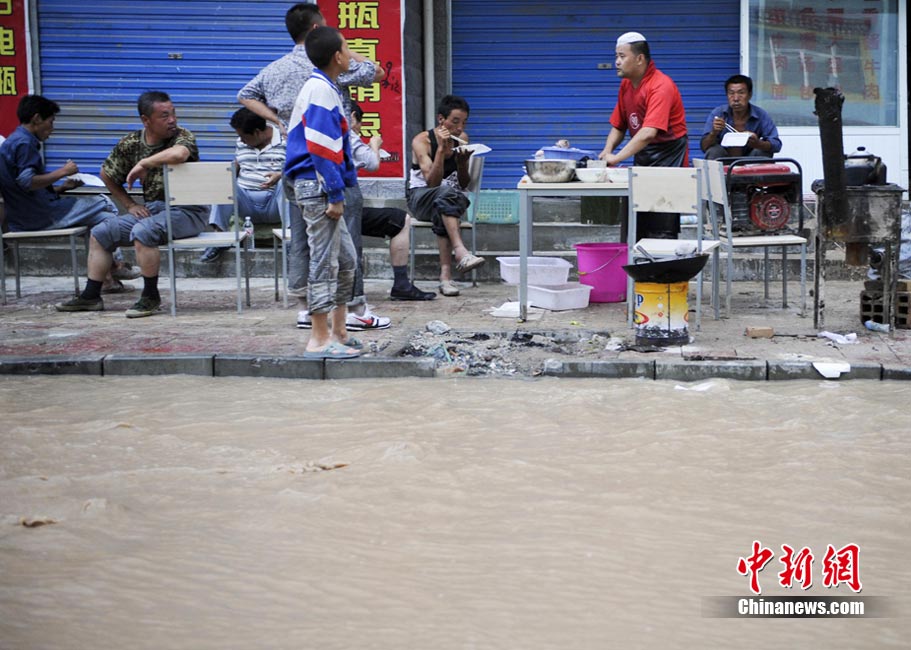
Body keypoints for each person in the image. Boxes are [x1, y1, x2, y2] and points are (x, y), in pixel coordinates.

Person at [237, 2, 389, 330]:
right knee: (338, 244)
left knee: (303, 240)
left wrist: (279, 121)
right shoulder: (327, 78)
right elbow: (376, 72)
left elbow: (245, 95)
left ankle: (306, 309)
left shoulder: (275, 69)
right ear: (320, 32)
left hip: (294, 165)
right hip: (325, 167)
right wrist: (336, 192)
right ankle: (347, 313)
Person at [55, 91, 209, 318]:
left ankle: (150, 296)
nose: (172, 120)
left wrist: (144, 163)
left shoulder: (182, 136)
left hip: (188, 211)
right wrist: (129, 204)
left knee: (143, 231)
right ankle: (91, 296)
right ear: (146, 120)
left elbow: (179, 154)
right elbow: (106, 174)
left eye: (173, 113)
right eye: (164, 116)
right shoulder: (131, 143)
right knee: (101, 232)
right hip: (155, 210)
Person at [0, 95, 139, 291]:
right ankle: (115, 265)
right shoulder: (25, 144)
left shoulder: (13, 141)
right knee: (104, 202)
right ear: (37, 119)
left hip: (26, 215)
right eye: (51, 121)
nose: (52, 128)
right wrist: (63, 171)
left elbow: (24, 190)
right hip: (41, 217)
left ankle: (106, 279)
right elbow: (26, 182)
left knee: (103, 219)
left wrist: (62, 187)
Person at [285, 26, 361, 359]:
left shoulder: (325, 87)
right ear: (337, 57)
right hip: (316, 186)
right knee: (324, 262)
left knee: (346, 260)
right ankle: (318, 339)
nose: (351, 54)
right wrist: (334, 194)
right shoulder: (320, 90)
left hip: (320, 184)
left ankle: (339, 332)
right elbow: (321, 147)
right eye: (347, 48)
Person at [598, 32, 689, 242]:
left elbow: (648, 132)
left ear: (639, 59)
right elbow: (619, 125)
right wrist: (607, 151)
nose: (617, 62)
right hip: (644, 154)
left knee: (662, 227)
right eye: (616, 56)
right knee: (636, 224)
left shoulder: (661, 85)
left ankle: (664, 263)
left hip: (669, 158)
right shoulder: (626, 85)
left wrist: (617, 158)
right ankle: (636, 263)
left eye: (622, 56)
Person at [348, 101, 435, 301]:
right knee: (401, 219)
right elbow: (373, 163)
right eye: (359, 124)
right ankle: (400, 284)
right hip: (341, 208)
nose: (359, 129)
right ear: (352, 117)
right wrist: (374, 146)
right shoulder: (346, 134)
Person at [407, 94, 485, 297]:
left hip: (448, 201)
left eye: (464, 122)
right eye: (455, 121)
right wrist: (441, 151)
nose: (459, 128)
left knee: (445, 202)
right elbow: (432, 183)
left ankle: (446, 277)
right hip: (420, 198)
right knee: (445, 194)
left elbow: (464, 184)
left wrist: (461, 163)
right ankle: (460, 251)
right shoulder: (422, 141)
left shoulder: (462, 139)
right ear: (441, 119)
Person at [199, 107, 289, 263]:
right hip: (246, 204)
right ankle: (219, 239)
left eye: (243, 136)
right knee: (225, 180)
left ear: (257, 132)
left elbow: (299, 167)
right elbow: (238, 164)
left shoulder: (286, 140)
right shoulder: (241, 142)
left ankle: (290, 240)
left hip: (274, 203)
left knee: (287, 181)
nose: (241, 139)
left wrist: (280, 175)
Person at [700, 74, 782, 160]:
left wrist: (758, 143)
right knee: (714, 151)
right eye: (731, 93)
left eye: (741, 93)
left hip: (751, 162)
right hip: (724, 161)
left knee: (762, 151)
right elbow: (704, 147)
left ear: (750, 95)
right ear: (727, 95)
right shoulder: (718, 114)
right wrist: (713, 133)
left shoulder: (761, 115)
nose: (736, 98)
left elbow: (776, 145)